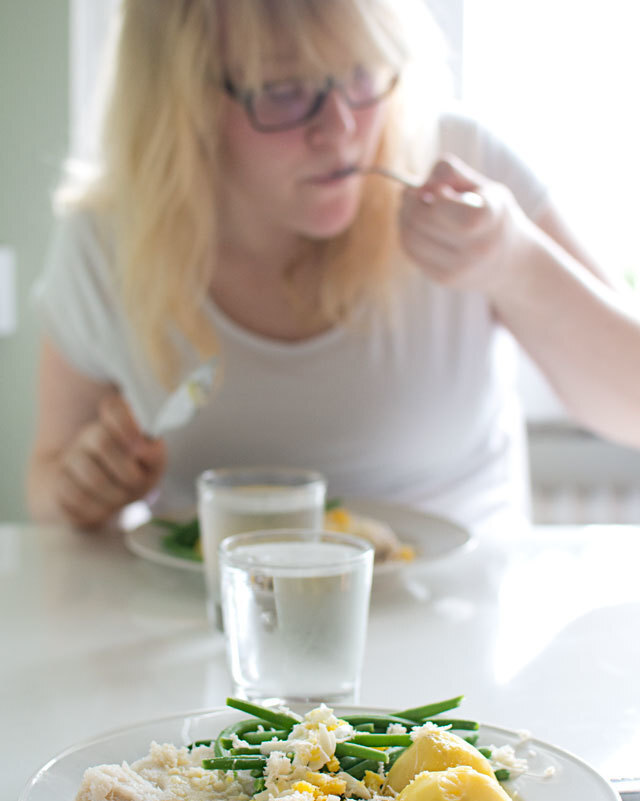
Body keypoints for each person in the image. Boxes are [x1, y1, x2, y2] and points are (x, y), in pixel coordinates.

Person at [27, 0, 640, 535]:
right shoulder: (112, 241)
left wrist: (516, 264)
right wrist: (83, 490)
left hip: (465, 625)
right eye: (284, 90)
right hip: (218, 639)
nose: (343, 130)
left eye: (361, 73)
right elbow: (50, 483)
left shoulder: (463, 165)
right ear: (179, 99)